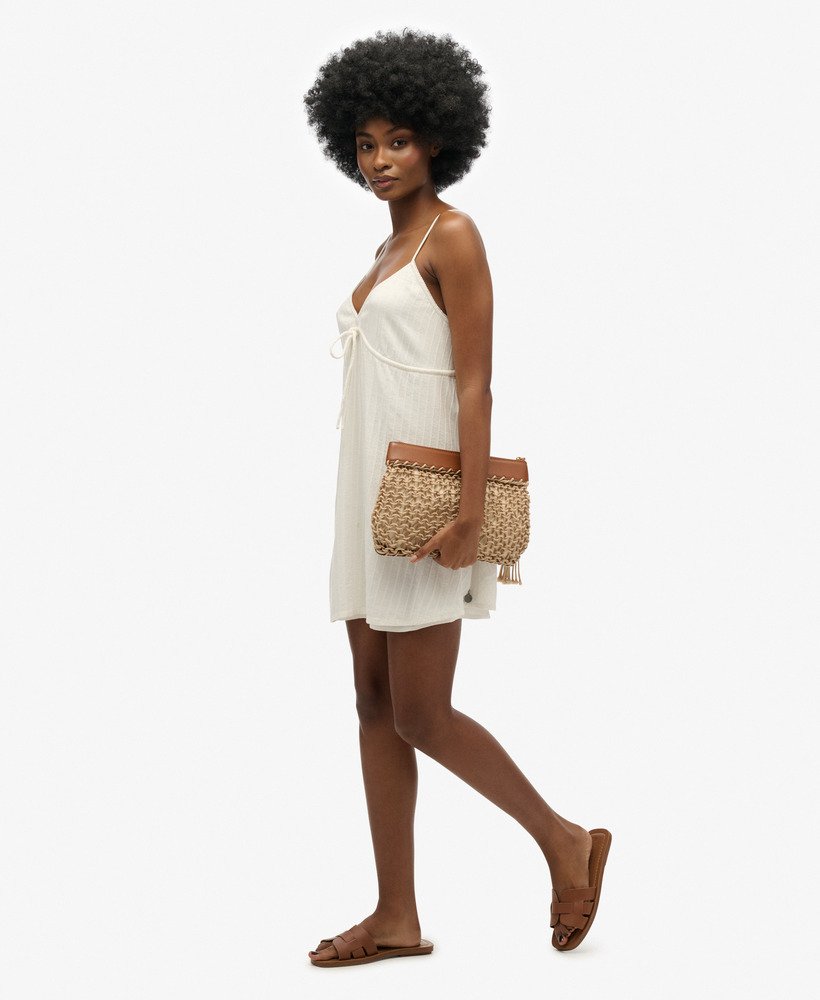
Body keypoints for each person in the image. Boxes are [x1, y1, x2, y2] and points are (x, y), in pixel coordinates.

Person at [302, 28, 612, 968]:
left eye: (397, 141)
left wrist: (471, 513)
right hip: (369, 497)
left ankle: (564, 840)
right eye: (364, 144)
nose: (379, 160)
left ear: (437, 137)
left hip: (432, 501)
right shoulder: (386, 245)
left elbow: (475, 385)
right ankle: (396, 914)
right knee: (372, 701)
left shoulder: (454, 235)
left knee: (421, 712)